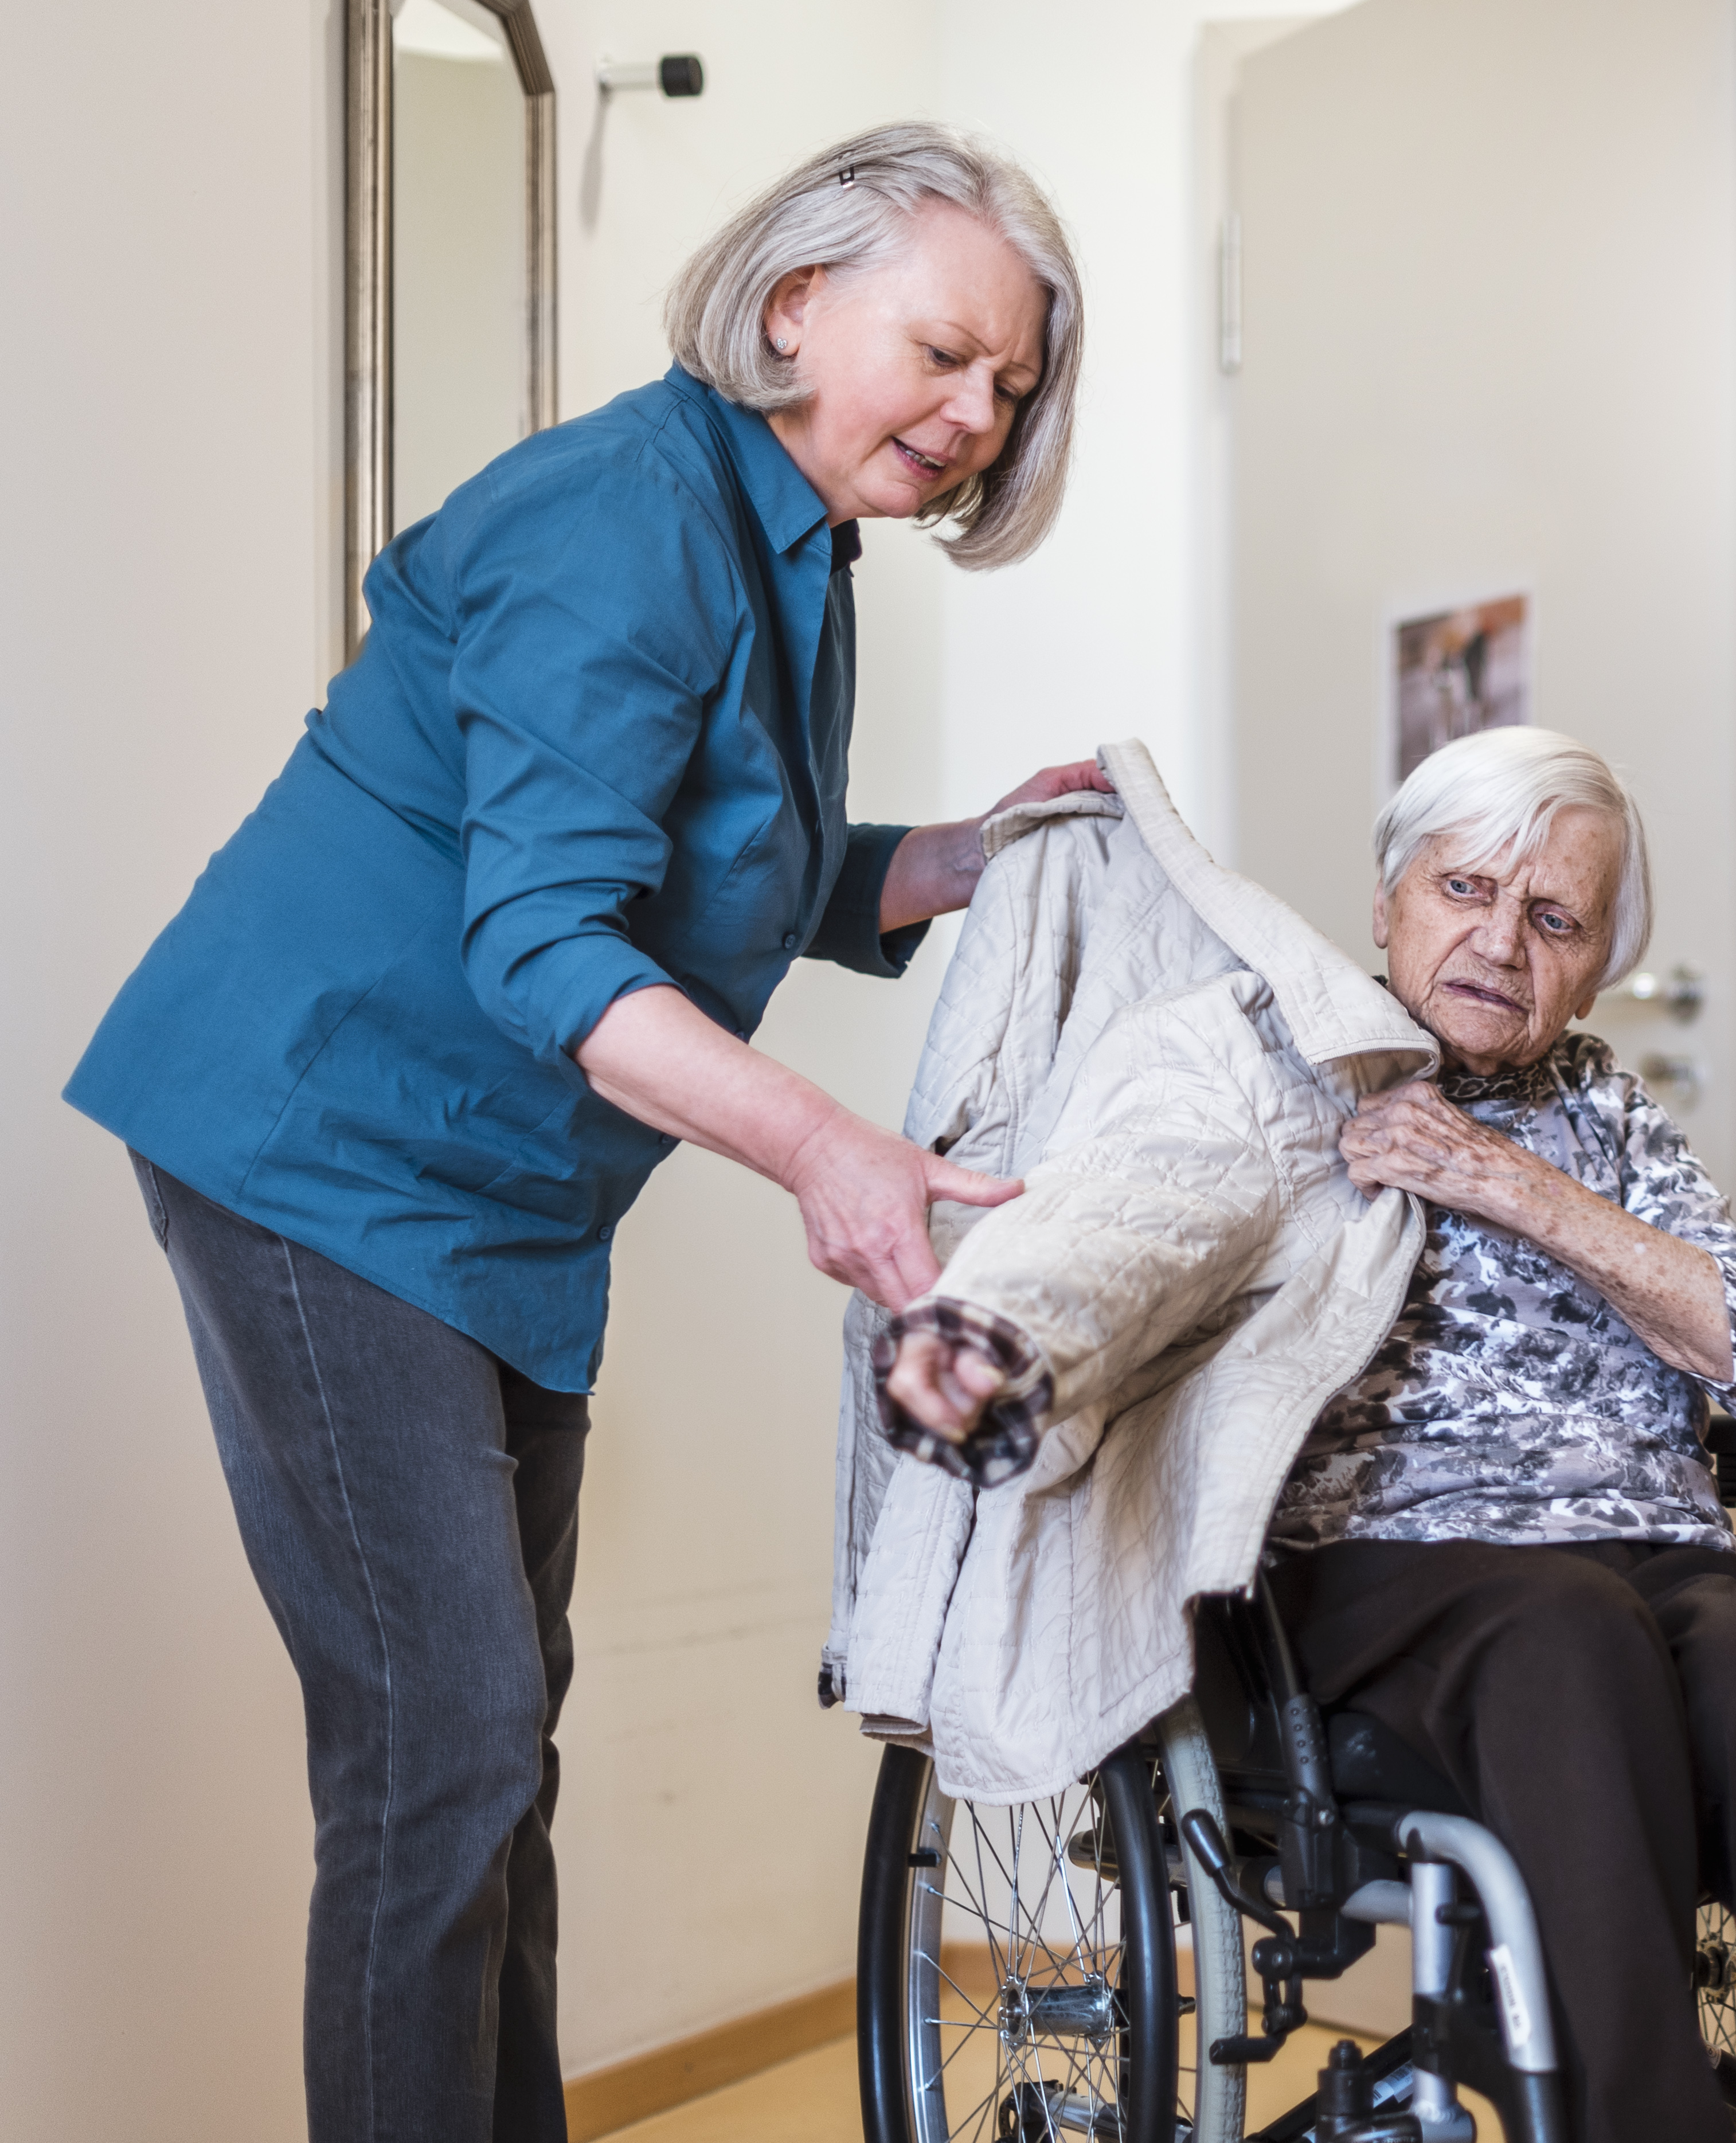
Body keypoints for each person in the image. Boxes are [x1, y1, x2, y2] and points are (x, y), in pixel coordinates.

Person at [65, 123, 1106, 2143]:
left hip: (496, 1192)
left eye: (1010, 386)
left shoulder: (790, 543)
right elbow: (544, 925)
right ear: (797, 305)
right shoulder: (630, 514)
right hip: (322, 1139)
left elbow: (736, 856)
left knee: (488, 1746)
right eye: (945, 351)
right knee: (441, 1744)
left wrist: (961, 856)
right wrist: (826, 1147)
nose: (976, 413)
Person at [887, 728, 1736, 2143]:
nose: (1502, 941)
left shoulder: (1603, 1106)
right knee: (1561, 1627)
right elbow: (1129, 1223)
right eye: (1463, 891)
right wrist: (996, 1333)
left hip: (1646, 1551)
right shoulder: (1272, 1052)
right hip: (1365, 1567)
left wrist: (1503, 1182)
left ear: (1598, 960)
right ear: (1384, 902)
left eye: (1554, 917)